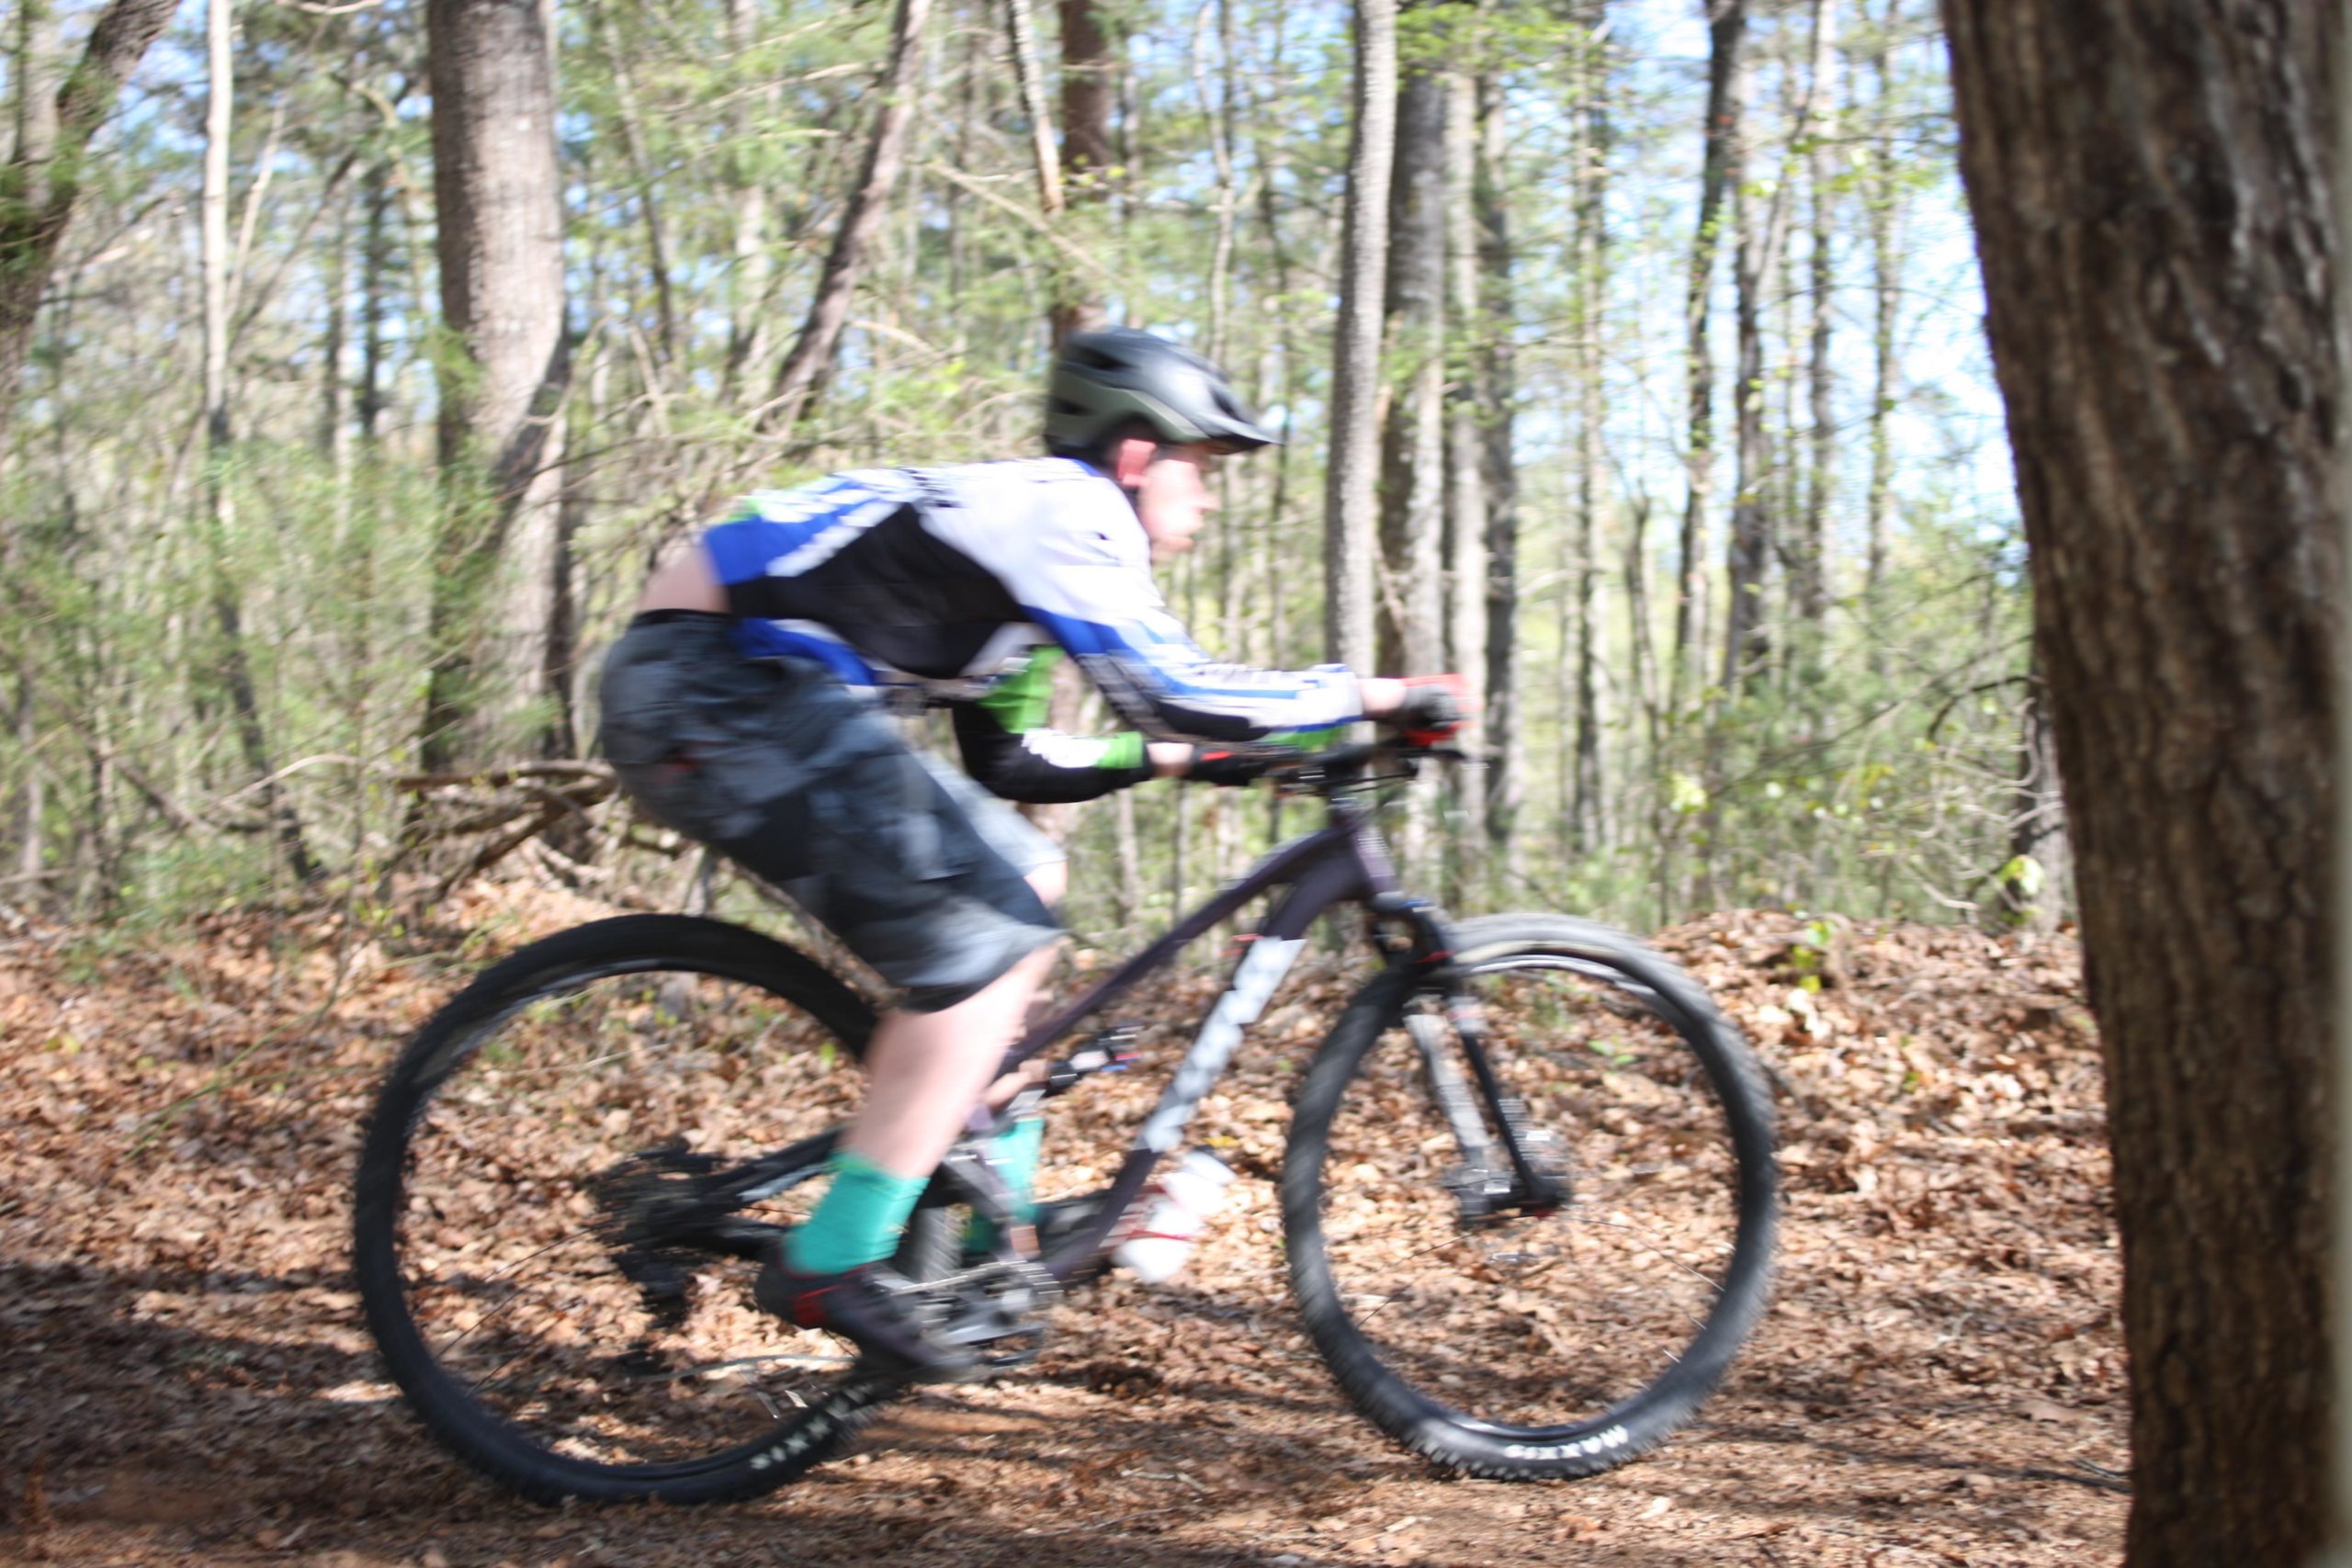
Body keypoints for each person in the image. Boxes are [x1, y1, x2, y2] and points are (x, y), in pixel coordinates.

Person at [598, 327, 1462, 1376]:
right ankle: (834, 1258)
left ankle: (974, 1232)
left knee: (1026, 881)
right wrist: (1377, 694)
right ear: (1138, 456)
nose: (1212, 496)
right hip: (710, 685)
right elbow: (1176, 685)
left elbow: (1014, 758)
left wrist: (1193, 763)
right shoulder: (1070, 509)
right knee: (989, 940)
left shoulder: (1016, 554)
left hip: (722, 684)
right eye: (1203, 467)